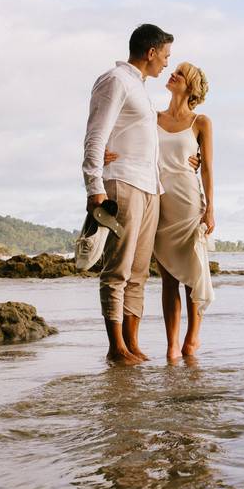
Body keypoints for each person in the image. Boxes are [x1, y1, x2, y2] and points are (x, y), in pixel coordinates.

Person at [105, 61, 215, 360]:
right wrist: (104, 151)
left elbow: (207, 170)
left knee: (193, 272)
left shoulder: (201, 122)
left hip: (189, 201)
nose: (172, 74)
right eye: (173, 69)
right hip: (159, 200)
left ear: (190, 86)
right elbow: (126, 136)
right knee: (168, 279)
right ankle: (171, 345)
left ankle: (191, 340)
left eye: (179, 73)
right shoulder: (153, 118)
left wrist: (211, 210)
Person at [82, 24, 172, 365]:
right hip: (122, 182)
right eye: (165, 56)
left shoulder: (141, 88)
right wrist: (95, 188)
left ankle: (132, 344)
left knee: (138, 273)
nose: (165, 63)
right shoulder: (115, 80)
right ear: (150, 52)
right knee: (117, 269)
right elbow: (95, 135)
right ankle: (115, 347)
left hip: (149, 186)